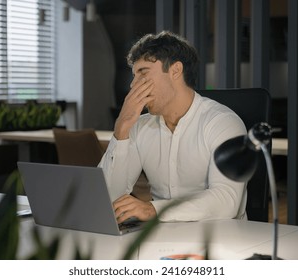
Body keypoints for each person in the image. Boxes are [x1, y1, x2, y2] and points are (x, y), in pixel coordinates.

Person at [98, 31, 247, 223]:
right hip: (160, 238)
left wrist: (154, 210)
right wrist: (121, 130)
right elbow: (109, 197)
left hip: (221, 239)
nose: (133, 85)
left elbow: (227, 200)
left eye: (143, 73)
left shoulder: (223, 123)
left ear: (176, 71)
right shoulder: (139, 126)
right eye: (134, 76)